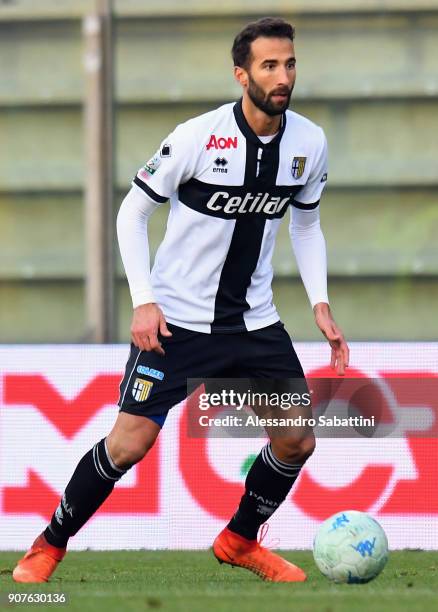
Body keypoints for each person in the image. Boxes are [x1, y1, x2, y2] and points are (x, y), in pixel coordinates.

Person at [13, 16, 349, 584]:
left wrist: (320, 302)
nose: (282, 75)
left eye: (289, 63)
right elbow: (132, 211)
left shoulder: (309, 142)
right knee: (129, 444)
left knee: (297, 439)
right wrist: (143, 300)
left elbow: (307, 225)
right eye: (269, 65)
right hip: (177, 322)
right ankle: (48, 545)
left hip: (253, 323)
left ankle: (240, 540)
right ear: (241, 73)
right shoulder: (198, 136)